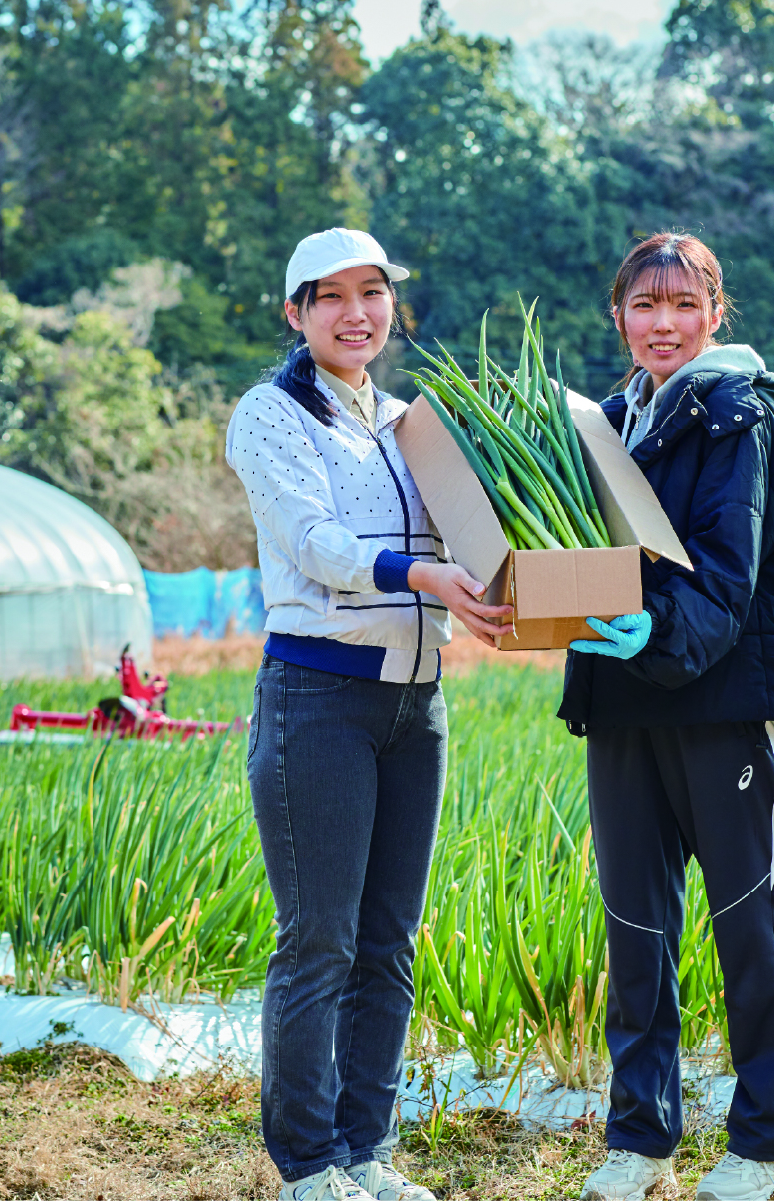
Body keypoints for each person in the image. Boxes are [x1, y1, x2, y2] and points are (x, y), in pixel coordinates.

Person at [225, 227, 514, 1201]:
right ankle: (307, 1166)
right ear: (295, 312)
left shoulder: (410, 423)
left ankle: (365, 1152)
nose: (357, 313)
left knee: (390, 942)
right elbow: (312, 541)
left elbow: (472, 538)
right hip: (319, 699)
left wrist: (505, 588)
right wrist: (421, 574)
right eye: (332, 296)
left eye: (373, 292)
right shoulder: (271, 414)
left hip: (416, 704)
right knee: (320, 939)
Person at [561, 232, 774, 1201]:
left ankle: (764, 1149)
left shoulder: (735, 414)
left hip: (724, 700)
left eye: (682, 304)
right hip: (624, 696)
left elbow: (727, 570)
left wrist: (657, 630)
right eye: (644, 304)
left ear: (715, 312)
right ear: (618, 316)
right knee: (636, 924)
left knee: (750, 919)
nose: (662, 323)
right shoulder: (607, 421)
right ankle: (640, 1139)